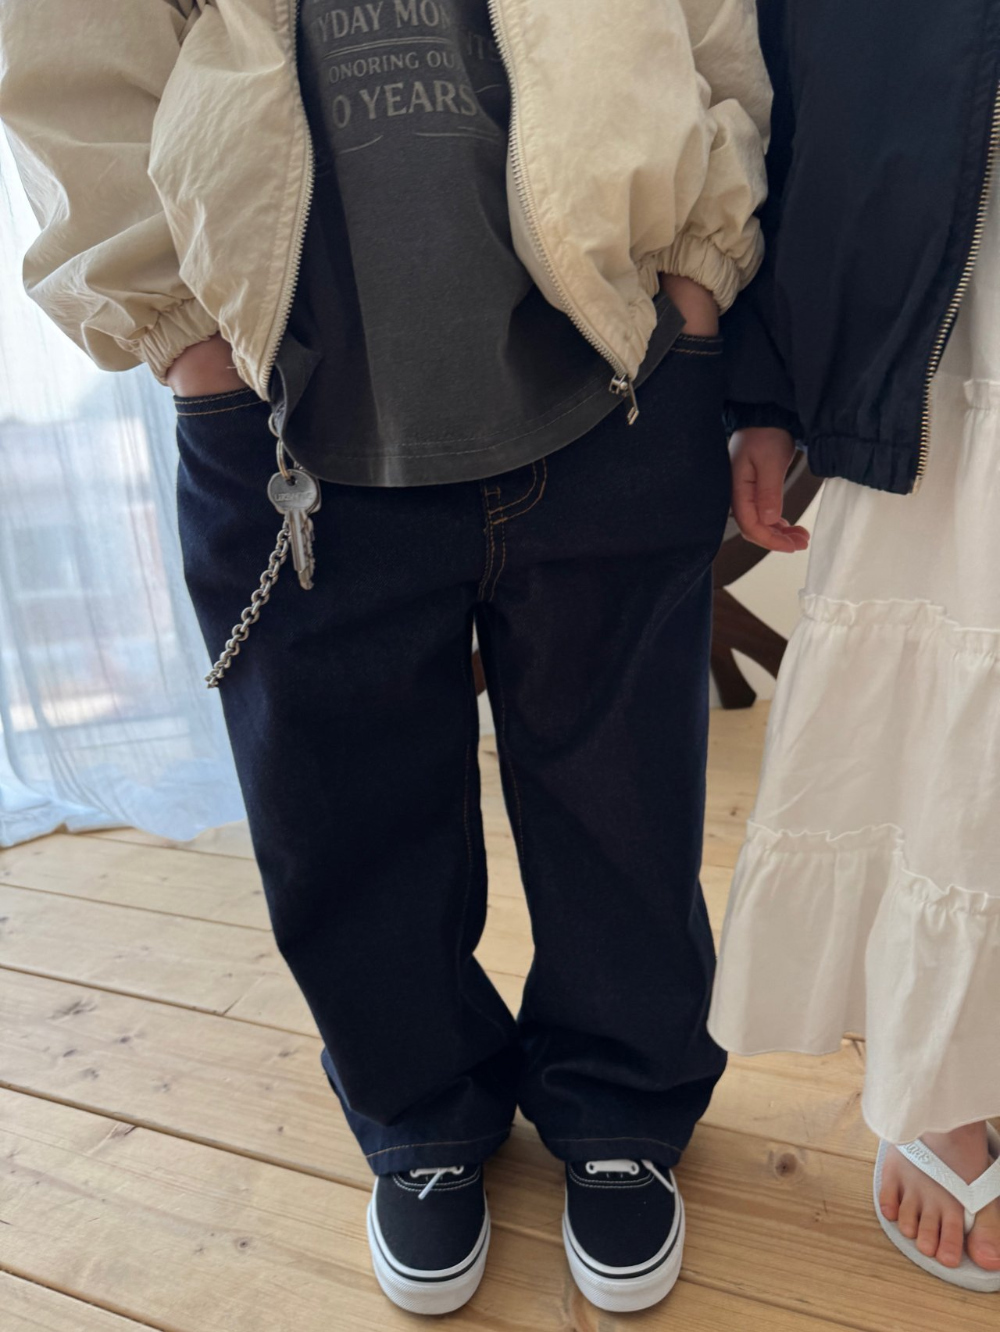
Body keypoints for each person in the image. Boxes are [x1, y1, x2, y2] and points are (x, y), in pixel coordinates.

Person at [0, 0, 771, 1315]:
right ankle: (422, 1110)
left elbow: (712, 27)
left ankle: (623, 1101)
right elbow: (73, 47)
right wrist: (186, 338)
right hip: (285, 410)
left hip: (617, 373)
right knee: (337, 810)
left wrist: (697, 276)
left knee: (627, 798)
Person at [710, 0, 1000, 1294]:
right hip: (926, 299)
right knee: (950, 693)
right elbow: (769, 77)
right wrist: (764, 388)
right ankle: (948, 1073)